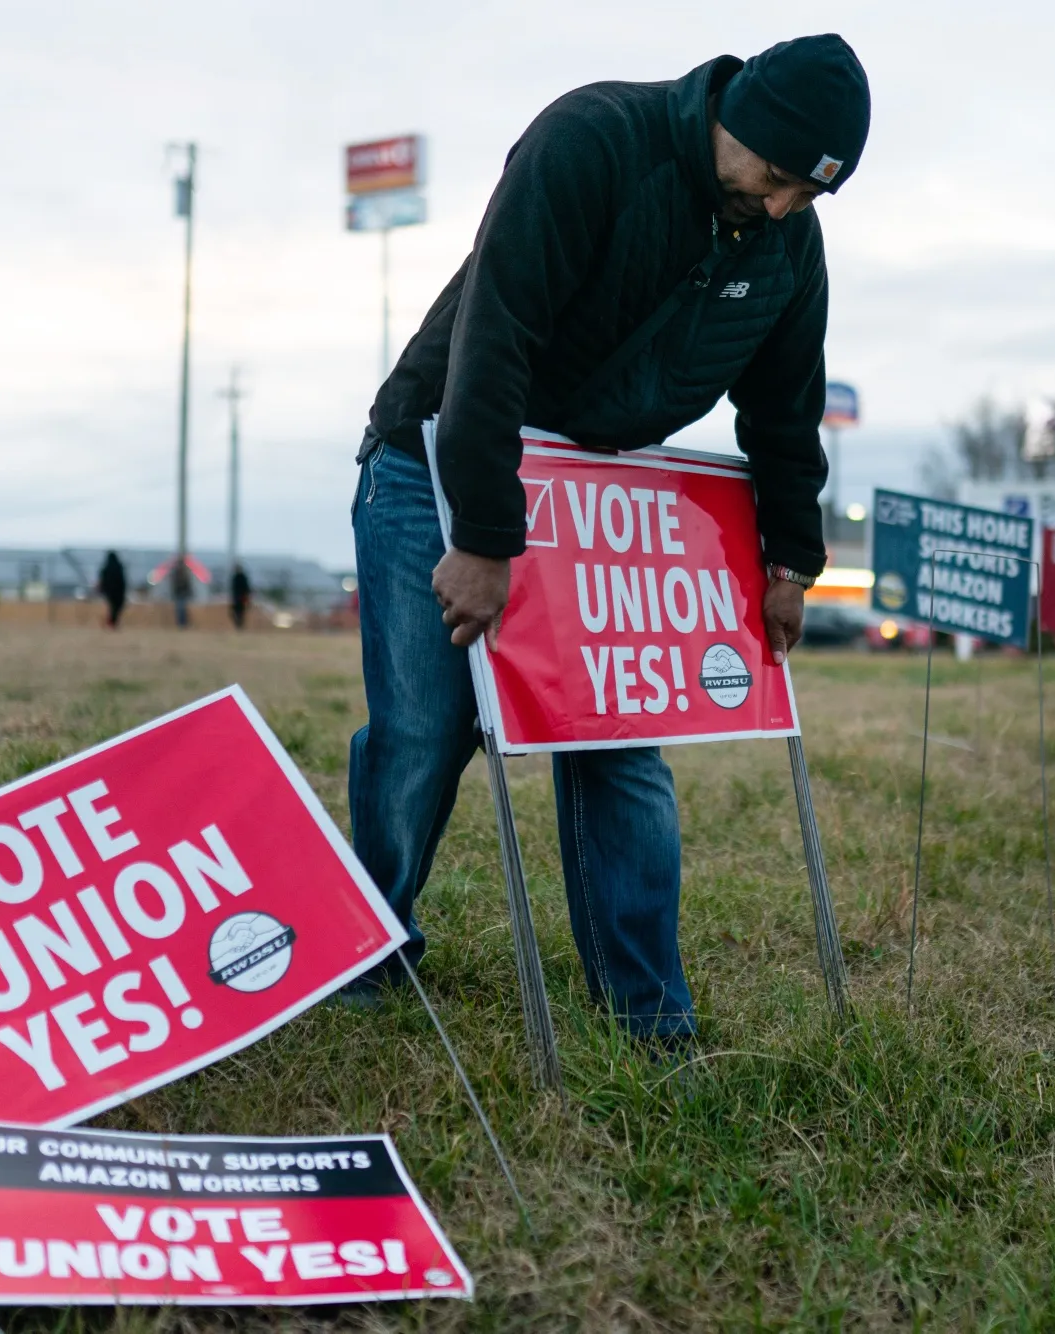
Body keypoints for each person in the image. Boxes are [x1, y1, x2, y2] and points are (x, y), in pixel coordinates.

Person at [346, 36, 868, 1042]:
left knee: (618, 740)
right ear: (736, 123)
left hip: (589, 494)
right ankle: (371, 946)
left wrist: (790, 560)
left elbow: (782, 411)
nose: (780, 209)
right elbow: (493, 338)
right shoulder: (592, 143)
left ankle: (646, 1009)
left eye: (806, 196)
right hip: (440, 453)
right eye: (771, 179)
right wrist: (488, 535)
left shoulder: (785, 249)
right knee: (425, 728)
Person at [97, 550, 128, 629]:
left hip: (110, 592)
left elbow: (102, 581)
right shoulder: (119, 567)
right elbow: (123, 581)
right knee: (116, 608)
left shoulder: (106, 568)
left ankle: (111, 623)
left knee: (112, 608)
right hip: (118, 592)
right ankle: (112, 623)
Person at [168, 560, 193, 629]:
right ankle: (181, 624)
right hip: (180, 593)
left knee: (181, 609)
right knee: (180, 609)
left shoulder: (181, 574)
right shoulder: (179, 574)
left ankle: (182, 624)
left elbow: (186, 585)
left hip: (182, 593)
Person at [229, 564, 251, 631]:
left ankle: (239, 624)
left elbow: (246, 588)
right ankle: (238, 624)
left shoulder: (242, 577)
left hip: (241, 597)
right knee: (235, 612)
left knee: (241, 612)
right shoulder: (236, 577)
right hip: (237, 597)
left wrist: (247, 597)